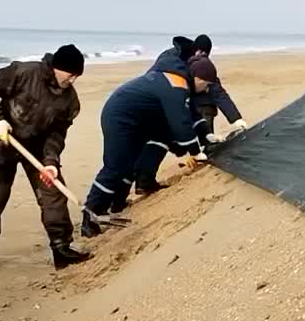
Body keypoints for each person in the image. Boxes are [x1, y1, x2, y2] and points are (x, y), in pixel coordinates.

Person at [0, 44, 93, 273]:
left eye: (77, 76)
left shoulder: (69, 101)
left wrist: (50, 162)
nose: (73, 80)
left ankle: (61, 248)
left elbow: (57, 134)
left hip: (37, 150)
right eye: (71, 74)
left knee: (54, 194)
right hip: (4, 143)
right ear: (57, 68)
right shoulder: (24, 73)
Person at [81, 36, 211, 235]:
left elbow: (191, 112)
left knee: (129, 163)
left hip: (138, 118)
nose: (207, 89)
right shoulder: (176, 84)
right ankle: (91, 215)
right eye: (207, 84)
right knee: (116, 165)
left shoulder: (180, 79)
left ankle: (117, 205)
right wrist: (195, 151)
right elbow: (180, 121)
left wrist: (205, 135)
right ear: (199, 79)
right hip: (120, 115)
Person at [128, 34, 249, 195]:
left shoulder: (201, 66)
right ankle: (145, 180)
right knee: (161, 136)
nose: (203, 58)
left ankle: (204, 151)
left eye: (206, 55)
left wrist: (236, 119)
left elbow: (216, 90)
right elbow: (155, 81)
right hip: (165, 101)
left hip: (185, 101)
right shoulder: (172, 61)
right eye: (202, 54)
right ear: (195, 50)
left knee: (200, 119)